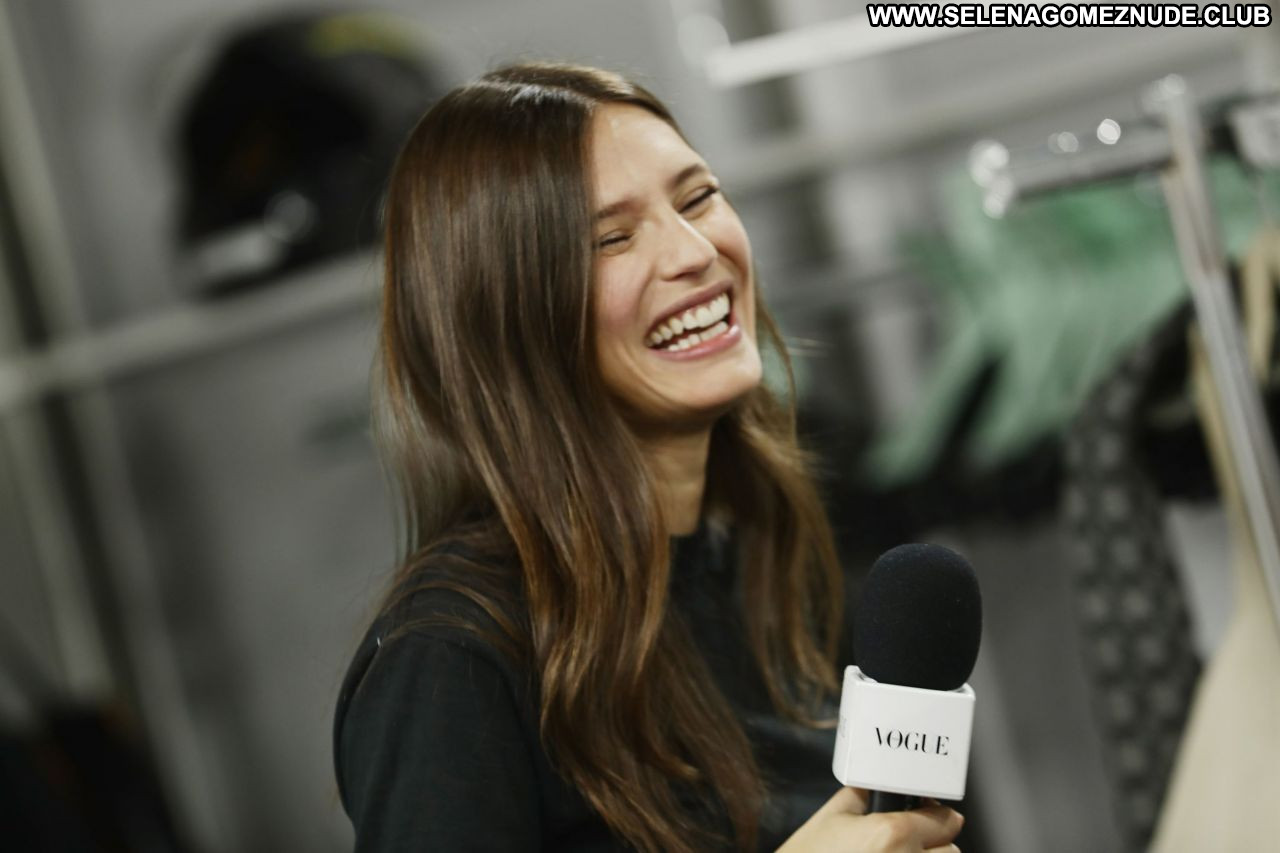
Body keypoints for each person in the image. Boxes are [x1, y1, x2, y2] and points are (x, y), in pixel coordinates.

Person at [333, 61, 964, 852]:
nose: (693, 251)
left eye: (698, 198)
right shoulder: (453, 656)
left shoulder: (767, 554)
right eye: (611, 238)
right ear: (509, 315)